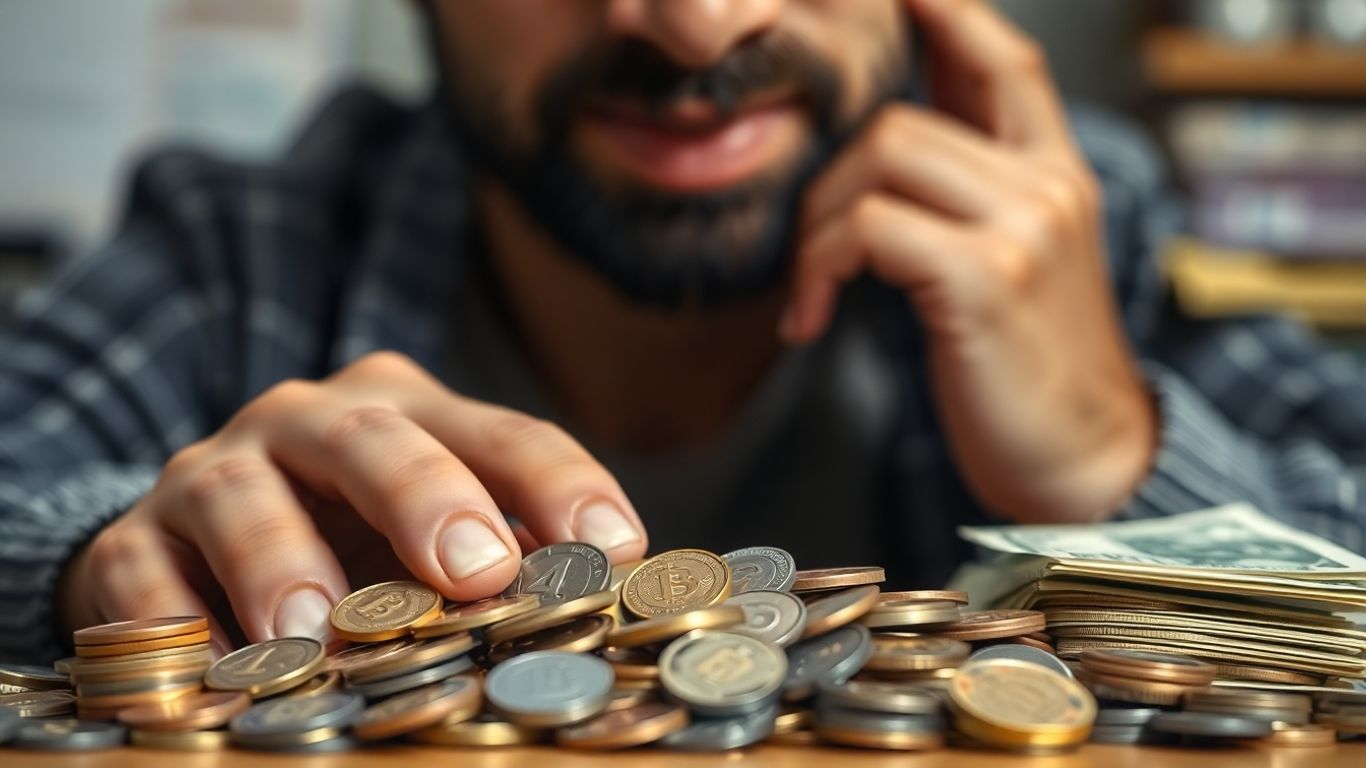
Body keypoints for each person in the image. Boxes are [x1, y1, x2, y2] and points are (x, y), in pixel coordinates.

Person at [2, 0, 1365, 663]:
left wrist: (1110, 455)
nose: (693, 21)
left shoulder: (1088, 228)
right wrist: (114, 568)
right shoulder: (240, 250)